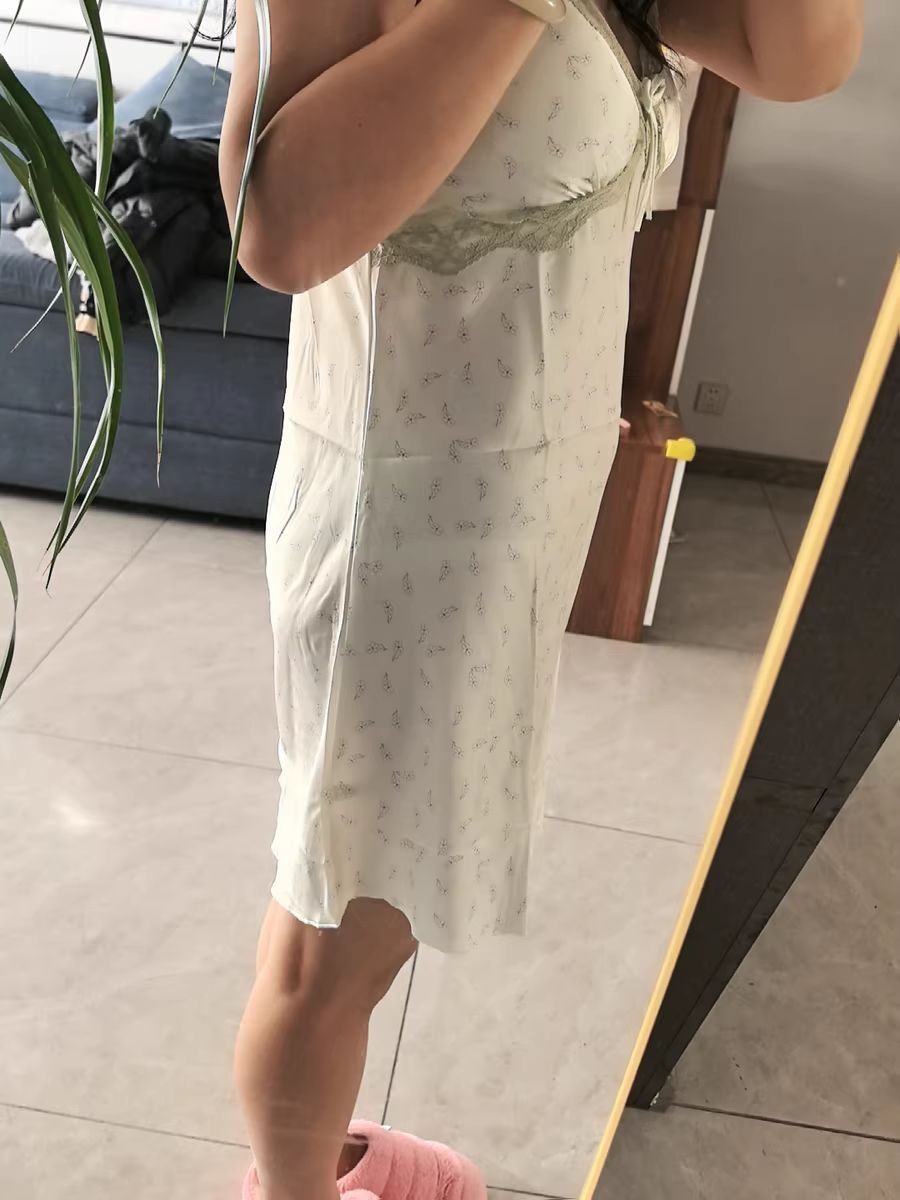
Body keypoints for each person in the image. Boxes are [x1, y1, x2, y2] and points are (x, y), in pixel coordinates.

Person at [217, 3, 863, 1199]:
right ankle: (293, 1183)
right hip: (399, 534)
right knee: (334, 940)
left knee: (365, 905)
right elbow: (280, 230)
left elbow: (801, 58)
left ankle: (304, 1151)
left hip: (498, 529)